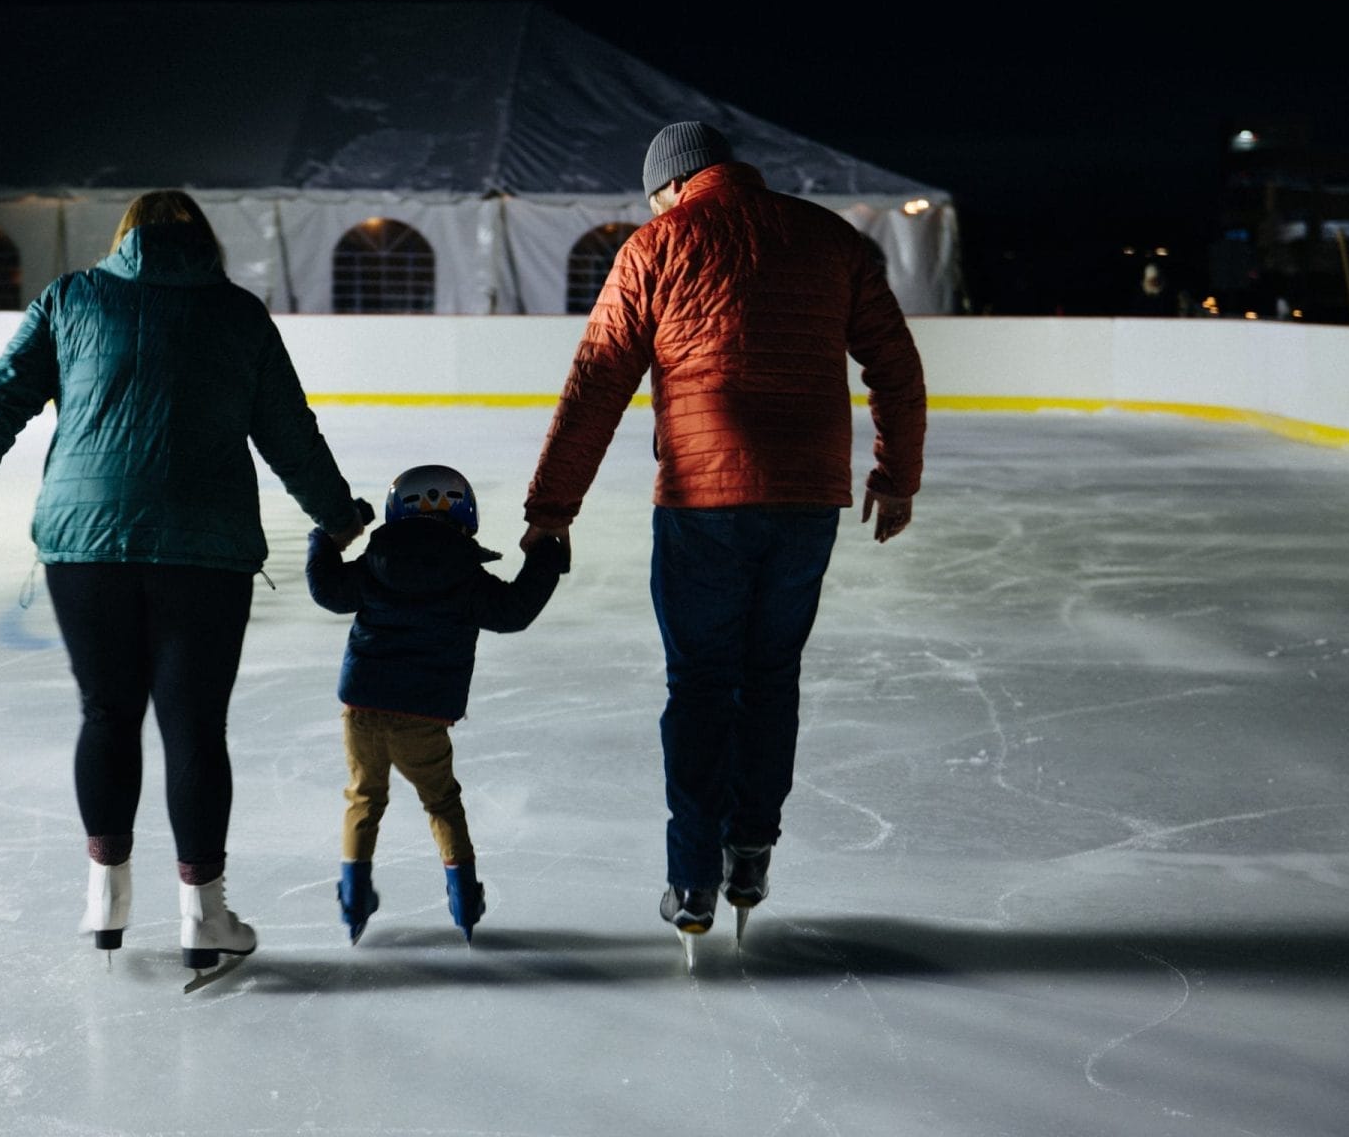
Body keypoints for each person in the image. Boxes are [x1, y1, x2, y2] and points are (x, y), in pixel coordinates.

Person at [0, 189, 366, 979]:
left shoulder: (72, 297)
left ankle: (106, 896)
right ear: (204, 241)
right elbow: (289, 431)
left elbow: (1, 400)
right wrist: (337, 516)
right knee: (194, 727)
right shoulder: (238, 314)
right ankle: (205, 912)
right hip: (203, 546)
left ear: (125, 238)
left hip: (84, 542)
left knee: (107, 711)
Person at [519, 121, 926, 942]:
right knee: (771, 676)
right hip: (809, 497)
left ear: (673, 185)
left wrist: (551, 510)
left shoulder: (658, 244)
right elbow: (896, 364)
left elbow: (596, 382)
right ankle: (750, 852)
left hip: (704, 498)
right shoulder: (828, 237)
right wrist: (896, 476)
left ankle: (692, 878)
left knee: (701, 684)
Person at [305, 464, 568, 943]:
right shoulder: (467, 576)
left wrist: (324, 542)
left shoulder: (374, 562)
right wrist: (545, 556)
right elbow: (513, 612)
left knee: (364, 798)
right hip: (423, 715)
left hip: (362, 708)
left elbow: (328, 591)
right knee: (441, 802)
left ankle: (353, 897)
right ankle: (464, 897)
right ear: (466, 514)